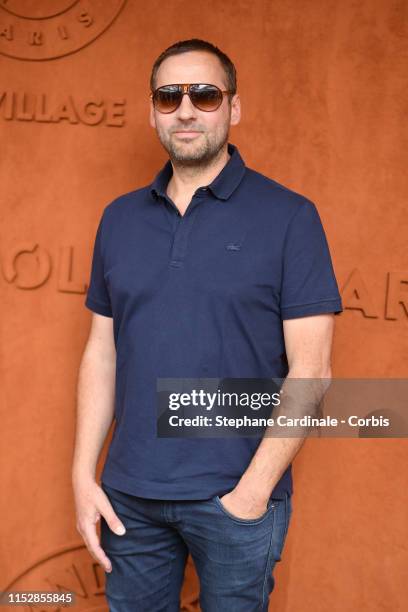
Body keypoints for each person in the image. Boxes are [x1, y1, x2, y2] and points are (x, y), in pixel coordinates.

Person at [72, 38, 343, 611]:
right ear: (153, 111)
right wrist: (83, 475)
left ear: (233, 108)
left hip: (234, 498)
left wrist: (251, 493)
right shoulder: (118, 219)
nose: (187, 109)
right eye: (169, 97)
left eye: (205, 94)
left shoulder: (290, 216)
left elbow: (312, 371)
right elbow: (102, 350)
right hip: (129, 498)